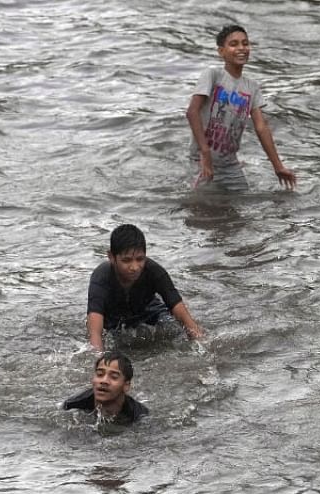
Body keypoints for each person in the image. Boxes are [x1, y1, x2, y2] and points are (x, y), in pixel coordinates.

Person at [185, 24, 296, 192]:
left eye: (245, 43)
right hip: (202, 161)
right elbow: (192, 112)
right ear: (221, 51)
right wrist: (205, 152)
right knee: (201, 211)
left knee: (239, 211)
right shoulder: (213, 75)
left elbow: (261, 127)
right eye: (234, 44)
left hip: (230, 165)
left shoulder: (251, 87)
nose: (241, 48)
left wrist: (278, 166)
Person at [86, 224, 203, 351]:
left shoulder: (155, 271)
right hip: (114, 323)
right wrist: (98, 361)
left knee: (176, 331)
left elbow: (182, 314)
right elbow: (95, 334)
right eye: (126, 260)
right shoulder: (101, 278)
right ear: (111, 257)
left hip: (151, 314)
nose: (135, 267)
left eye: (140, 259)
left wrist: (202, 345)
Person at [62, 351, 148, 427]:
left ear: (126, 386)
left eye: (114, 377)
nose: (104, 381)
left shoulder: (138, 415)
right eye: (100, 374)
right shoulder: (73, 404)